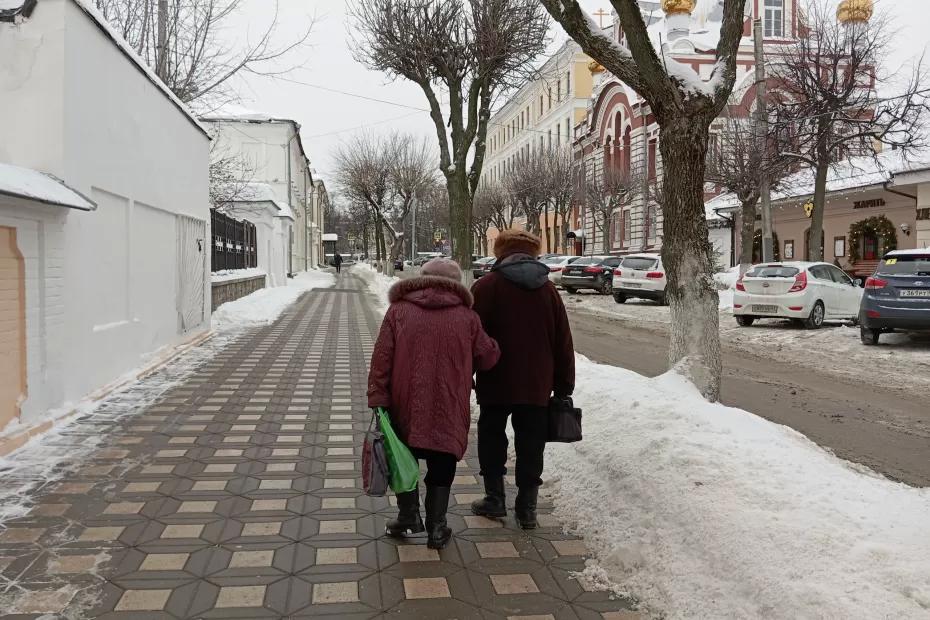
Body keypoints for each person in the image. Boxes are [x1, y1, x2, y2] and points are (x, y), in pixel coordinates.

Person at [368, 258, 500, 549]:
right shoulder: (467, 317)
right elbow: (487, 357)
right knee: (442, 460)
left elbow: (382, 359)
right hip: (449, 403)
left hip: (404, 403)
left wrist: (377, 397)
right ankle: (437, 527)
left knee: (404, 458)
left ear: (422, 278)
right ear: (456, 284)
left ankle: (408, 517)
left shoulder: (399, 311)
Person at [470, 230, 575, 529]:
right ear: (533, 253)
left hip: (496, 379)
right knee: (532, 443)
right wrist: (564, 384)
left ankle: (495, 499)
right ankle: (527, 509)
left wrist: (468, 373)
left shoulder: (486, 286)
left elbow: (472, 337)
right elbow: (562, 341)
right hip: (537, 383)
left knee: (492, 438)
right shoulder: (548, 290)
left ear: (501, 252)